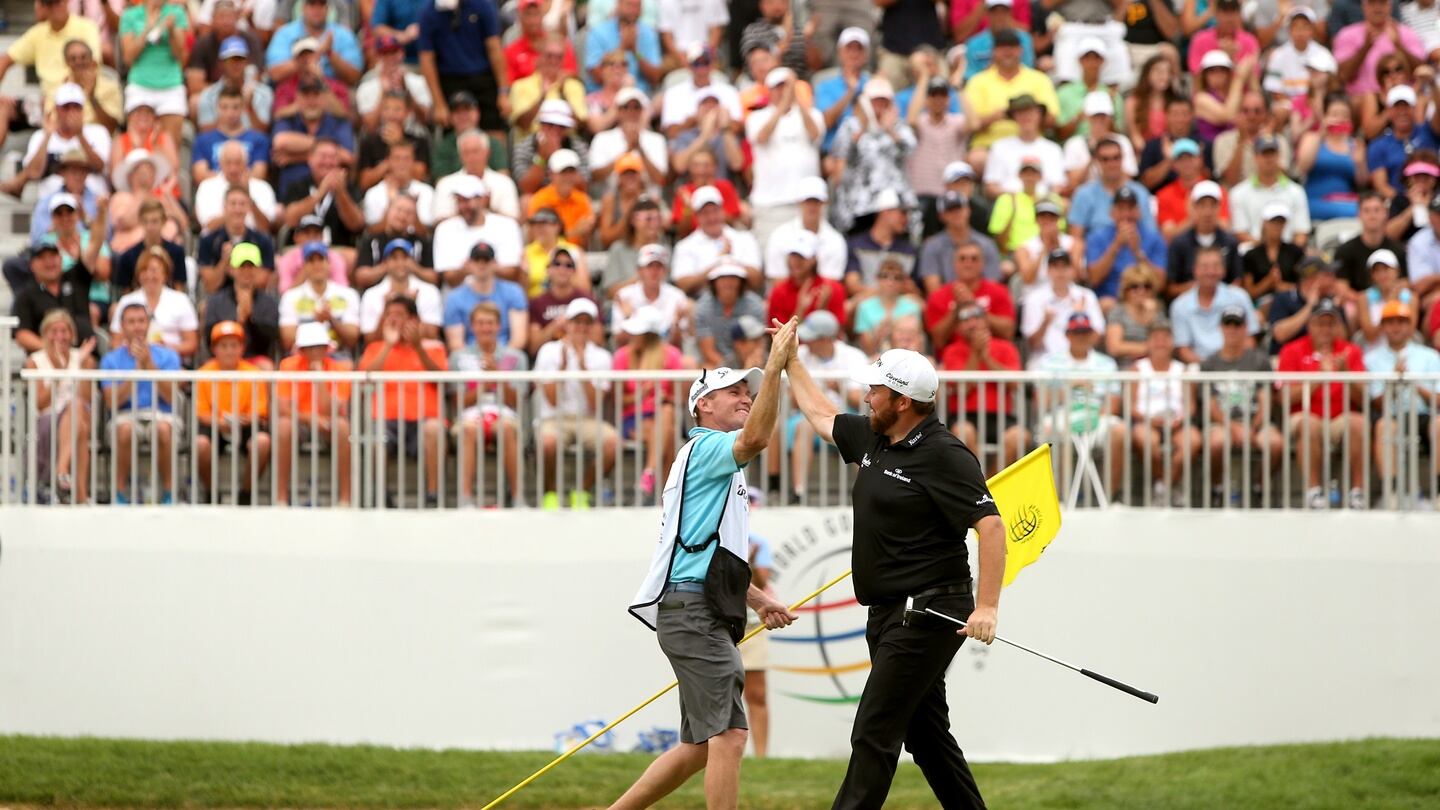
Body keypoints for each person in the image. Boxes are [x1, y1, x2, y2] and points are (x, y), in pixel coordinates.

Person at [783, 347, 1003, 808]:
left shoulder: (945, 454)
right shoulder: (875, 436)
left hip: (928, 611)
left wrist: (987, 607)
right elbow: (822, 415)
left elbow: (992, 526)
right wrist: (791, 363)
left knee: (874, 730)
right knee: (925, 736)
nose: (867, 396)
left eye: (876, 389)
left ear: (903, 401)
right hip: (888, 614)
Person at [616, 322, 799, 810]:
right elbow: (758, 437)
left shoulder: (708, 458)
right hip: (694, 611)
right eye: (732, 390)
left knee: (700, 746)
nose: (744, 395)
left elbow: (707, 551)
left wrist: (758, 600)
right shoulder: (710, 448)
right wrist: (777, 367)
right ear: (703, 405)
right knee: (733, 735)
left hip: (692, 606)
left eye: (748, 389)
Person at [1277, 298, 1369, 509]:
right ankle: (1313, 491)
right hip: (1304, 416)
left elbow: (1363, 399)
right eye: (1320, 323)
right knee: (1310, 424)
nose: (1325, 329)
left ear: (1337, 326)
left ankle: (1358, 492)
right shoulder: (1291, 351)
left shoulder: (1350, 351)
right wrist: (1319, 377)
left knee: (1358, 422)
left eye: (1330, 323)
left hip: (1339, 417)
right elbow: (1285, 397)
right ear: (1310, 325)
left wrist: (1345, 374)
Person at [360, 296, 449, 508]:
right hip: (385, 419)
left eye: (399, 315)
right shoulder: (375, 348)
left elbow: (442, 380)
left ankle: (433, 495)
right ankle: (378, 494)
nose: (394, 320)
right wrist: (388, 345)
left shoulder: (434, 348)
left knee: (434, 429)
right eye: (390, 315)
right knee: (374, 435)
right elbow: (365, 380)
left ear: (414, 320)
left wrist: (418, 347)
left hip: (423, 419)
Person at [533, 299, 619, 510]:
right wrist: (562, 370)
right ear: (567, 324)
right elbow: (552, 400)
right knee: (548, 443)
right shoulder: (549, 351)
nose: (581, 327)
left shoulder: (601, 356)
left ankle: (581, 491)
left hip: (587, 419)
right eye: (576, 321)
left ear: (591, 327)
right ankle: (550, 493)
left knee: (613, 443)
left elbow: (595, 404)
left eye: (586, 322)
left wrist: (582, 369)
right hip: (554, 419)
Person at [448, 302, 529, 509]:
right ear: (472, 326)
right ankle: (465, 500)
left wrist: (498, 378)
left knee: (506, 428)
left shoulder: (516, 357)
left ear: (499, 326)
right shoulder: (458, 358)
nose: (486, 328)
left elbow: (518, 401)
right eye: (481, 323)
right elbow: (457, 402)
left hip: (505, 413)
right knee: (468, 429)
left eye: (490, 323)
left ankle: (518, 498)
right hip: (469, 416)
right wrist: (483, 386)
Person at [1200, 305, 1283, 507]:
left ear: (1245, 328)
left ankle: (1258, 488)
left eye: (1237, 324)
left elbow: (1266, 400)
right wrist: (1233, 427)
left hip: (1256, 422)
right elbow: (1210, 405)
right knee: (1217, 441)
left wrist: (1252, 427)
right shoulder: (1209, 363)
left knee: (1275, 443)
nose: (1232, 329)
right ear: (1221, 327)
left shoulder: (1259, 360)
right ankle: (1217, 489)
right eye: (1228, 324)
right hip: (1221, 422)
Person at [102, 301, 181, 505]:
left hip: (162, 414)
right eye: (131, 322)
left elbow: (171, 397)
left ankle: (169, 494)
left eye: (141, 321)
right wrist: (136, 372)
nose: (137, 326)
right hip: (125, 415)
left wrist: (150, 366)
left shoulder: (169, 356)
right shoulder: (110, 360)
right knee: (125, 430)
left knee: (163, 429)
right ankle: (119, 493)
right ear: (122, 326)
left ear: (148, 324)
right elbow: (112, 403)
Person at [784, 311, 867, 504]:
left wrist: (839, 388)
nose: (807, 342)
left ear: (827, 338)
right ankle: (799, 493)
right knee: (803, 427)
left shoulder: (854, 356)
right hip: (809, 419)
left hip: (846, 416)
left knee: (860, 431)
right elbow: (794, 400)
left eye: (813, 338)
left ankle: (866, 494)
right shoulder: (799, 354)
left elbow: (861, 400)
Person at [1365, 301, 1440, 507]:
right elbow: (1377, 403)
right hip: (1391, 413)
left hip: (1424, 413)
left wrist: (1413, 384)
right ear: (1383, 326)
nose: (1396, 327)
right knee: (1383, 426)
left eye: (1401, 321)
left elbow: (1439, 398)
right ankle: (1393, 491)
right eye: (1390, 322)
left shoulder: (1430, 356)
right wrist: (1395, 383)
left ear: (1410, 326)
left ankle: (1439, 491)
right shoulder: (1371, 359)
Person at [273, 321, 354, 507]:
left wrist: (319, 379)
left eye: (319, 347)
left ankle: (346, 499)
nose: (315, 352)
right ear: (300, 350)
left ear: (327, 348)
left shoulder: (340, 370)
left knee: (342, 427)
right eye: (309, 348)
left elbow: (332, 410)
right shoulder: (287, 366)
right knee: (284, 427)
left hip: (327, 421)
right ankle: (281, 498)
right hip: (299, 421)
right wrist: (310, 419)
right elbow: (283, 408)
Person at [613, 307, 689, 504]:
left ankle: (649, 474)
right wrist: (641, 395)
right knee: (668, 434)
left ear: (648, 336)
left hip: (663, 415)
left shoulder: (671, 355)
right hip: (634, 418)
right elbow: (618, 400)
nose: (631, 335)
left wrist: (665, 397)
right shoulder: (622, 356)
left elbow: (679, 398)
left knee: (666, 412)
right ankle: (666, 496)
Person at [941, 305, 1029, 472]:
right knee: (963, 433)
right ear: (958, 327)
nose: (972, 323)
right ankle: (980, 485)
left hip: (1001, 416)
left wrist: (986, 358)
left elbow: (1015, 383)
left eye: (977, 317)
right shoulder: (952, 351)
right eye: (965, 320)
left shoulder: (1006, 347)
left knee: (1019, 437)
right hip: (964, 415)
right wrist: (975, 353)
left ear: (986, 321)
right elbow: (963, 389)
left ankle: (989, 485)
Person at [194, 320, 272, 505]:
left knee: (262, 442)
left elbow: (260, 411)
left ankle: (245, 493)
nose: (229, 351)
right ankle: (211, 491)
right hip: (214, 425)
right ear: (214, 349)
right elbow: (201, 412)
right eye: (224, 345)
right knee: (200, 444)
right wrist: (220, 423)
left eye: (234, 345)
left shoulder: (253, 373)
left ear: (242, 348)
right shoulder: (204, 373)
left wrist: (245, 419)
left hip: (244, 425)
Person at [25, 310, 95, 504]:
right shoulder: (35, 361)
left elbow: (87, 399)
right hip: (48, 420)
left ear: (72, 334)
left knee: (78, 408)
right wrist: (60, 372)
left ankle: (62, 472)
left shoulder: (83, 359)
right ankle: (79, 494)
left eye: (64, 331)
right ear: (45, 334)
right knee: (79, 425)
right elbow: (41, 403)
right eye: (54, 331)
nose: (60, 336)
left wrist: (82, 366)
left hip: (78, 415)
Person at [1130, 321, 1202, 506]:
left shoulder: (1183, 370)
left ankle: (1164, 486)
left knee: (1193, 441)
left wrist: (1180, 419)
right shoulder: (1137, 368)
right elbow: (1131, 406)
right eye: (1156, 338)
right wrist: (1150, 420)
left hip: (1177, 423)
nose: (1160, 343)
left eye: (1165, 338)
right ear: (1148, 342)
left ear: (1172, 342)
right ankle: (1168, 486)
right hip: (1147, 422)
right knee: (1145, 440)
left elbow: (1191, 405)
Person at [108, 245, 199, 364]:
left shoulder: (181, 300)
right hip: (131, 364)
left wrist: (163, 348)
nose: (149, 275)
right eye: (144, 270)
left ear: (165, 273)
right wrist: (132, 349)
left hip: (171, 365)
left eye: (154, 270)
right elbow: (116, 342)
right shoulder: (126, 301)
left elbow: (191, 344)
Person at [1170, 245, 1261, 364]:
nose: (1210, 272)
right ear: (1195, 270)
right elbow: (1183, 349)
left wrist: (1230, 365)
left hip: (1237, 365)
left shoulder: (1240, 297)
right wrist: (1208, 369)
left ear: (1223, 270)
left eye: (1215, 266)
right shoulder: (1180, 305)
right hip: (1198, 369)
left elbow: (1250, 339)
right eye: (1205, 267)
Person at [1084, 187, 1168, 309]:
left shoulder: (1154, 238)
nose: (1126, 214)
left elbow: (1160, 284)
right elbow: (1093, 279)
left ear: (1138, 211)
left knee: (1152, 306)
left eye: (1130, 208)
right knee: (1106, 304)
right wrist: (1116, 245)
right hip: (1111, 300)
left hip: (1144, 300)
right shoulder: (1097, 238)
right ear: (1112, 213)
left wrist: (1137, 252)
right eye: (1121, 209)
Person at [1021, 249, 1104, 367]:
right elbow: (1032, 344)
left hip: (1081, 361)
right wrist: (1045, 322)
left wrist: (1079, 317)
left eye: (1065, 266)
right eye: (1055, 267)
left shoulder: (1087, 296)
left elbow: (1096, 338)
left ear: (1072, 270)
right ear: (1048, 270)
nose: (1060, 272)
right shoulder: (1034, 298)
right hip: (1044, 362)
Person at [202, 244, 281, 366]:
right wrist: (236, 322)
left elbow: (270, 341)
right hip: (222, 360)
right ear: (231, 269)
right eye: (241, 266)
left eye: (251, 266)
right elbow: (209, 339)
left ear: (258, 269)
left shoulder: (268, 302)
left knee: (266, 367)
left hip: (255, 359)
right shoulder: (216, 301)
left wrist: (250, 319)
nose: (246, 271)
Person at [443, 243, 528, 353]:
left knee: (520, 358)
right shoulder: (454, 298)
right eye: (477, 260)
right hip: (469, 359)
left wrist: (500, 364)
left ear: (495, 263)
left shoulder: (514, 292)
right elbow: (456, 344)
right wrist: (476, 363)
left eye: (486, 260)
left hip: (506, 357)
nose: (481, 264)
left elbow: (518, 340)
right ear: (468, 264)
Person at [278, 242, 361, 354]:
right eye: (311, 261)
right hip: (302, 354)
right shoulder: (290, 297)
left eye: (321, 259)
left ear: (329, 263)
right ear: (304, 266)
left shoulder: (348, 295)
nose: (317, 265)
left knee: (346, 365)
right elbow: (287, 340)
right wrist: (314, 322)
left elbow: (352, 339)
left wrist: (331, 320)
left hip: (336, 354)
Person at [854, 258, 925, 356]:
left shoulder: (913, 307)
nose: (890, 282)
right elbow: (867, 351)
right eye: (885, 276)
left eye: (897, 277)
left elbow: (918, 344)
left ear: (903, 281)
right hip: (876, 359)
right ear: (877, 278)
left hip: (906, 357)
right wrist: (878, 336)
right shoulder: (864, 307)